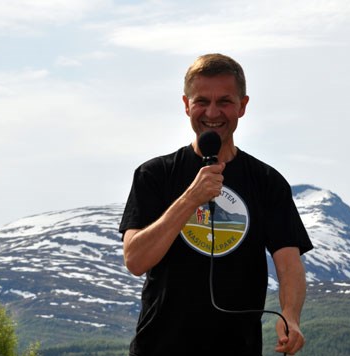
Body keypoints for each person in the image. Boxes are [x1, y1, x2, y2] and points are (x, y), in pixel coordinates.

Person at [119, 53, 313, 356]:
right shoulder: (154, 175)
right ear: (186, 105)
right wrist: (190, 198)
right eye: (201, 101)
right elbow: (135, 259)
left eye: (224, 101)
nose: (212, 112)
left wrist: (291, 315)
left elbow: (288, 261)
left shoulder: (267, 181)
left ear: (242, 106)